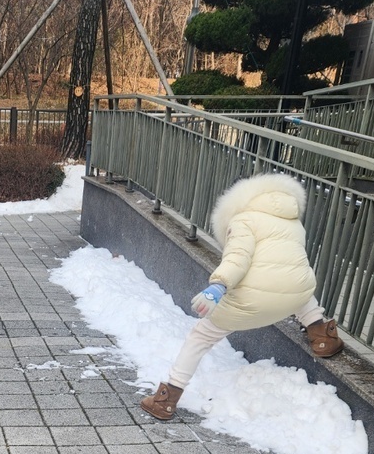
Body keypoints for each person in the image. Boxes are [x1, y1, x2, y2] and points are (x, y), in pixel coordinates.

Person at [140, 172, 342, 421]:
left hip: (252, 303)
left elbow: (238, 258)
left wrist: (218, 287)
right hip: (296, 295)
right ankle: (323, 338)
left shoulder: (243, 220)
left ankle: (166, 399)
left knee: (200, 337)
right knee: (294, 287)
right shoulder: (291, 221)